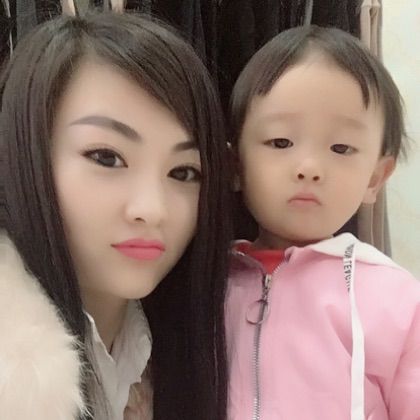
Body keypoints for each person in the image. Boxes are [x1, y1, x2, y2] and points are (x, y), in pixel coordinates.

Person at [0, 12, 230, 420]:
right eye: (106, 157)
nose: (152, 209)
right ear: (27, 157)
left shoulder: (194, 343)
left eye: (183, 172)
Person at [225, 25, 420, 420]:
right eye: (280, 142)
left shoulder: (397, 301)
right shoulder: (207, 285)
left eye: (341, 148)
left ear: (375, 178)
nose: (310, 167)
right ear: (235, 165)